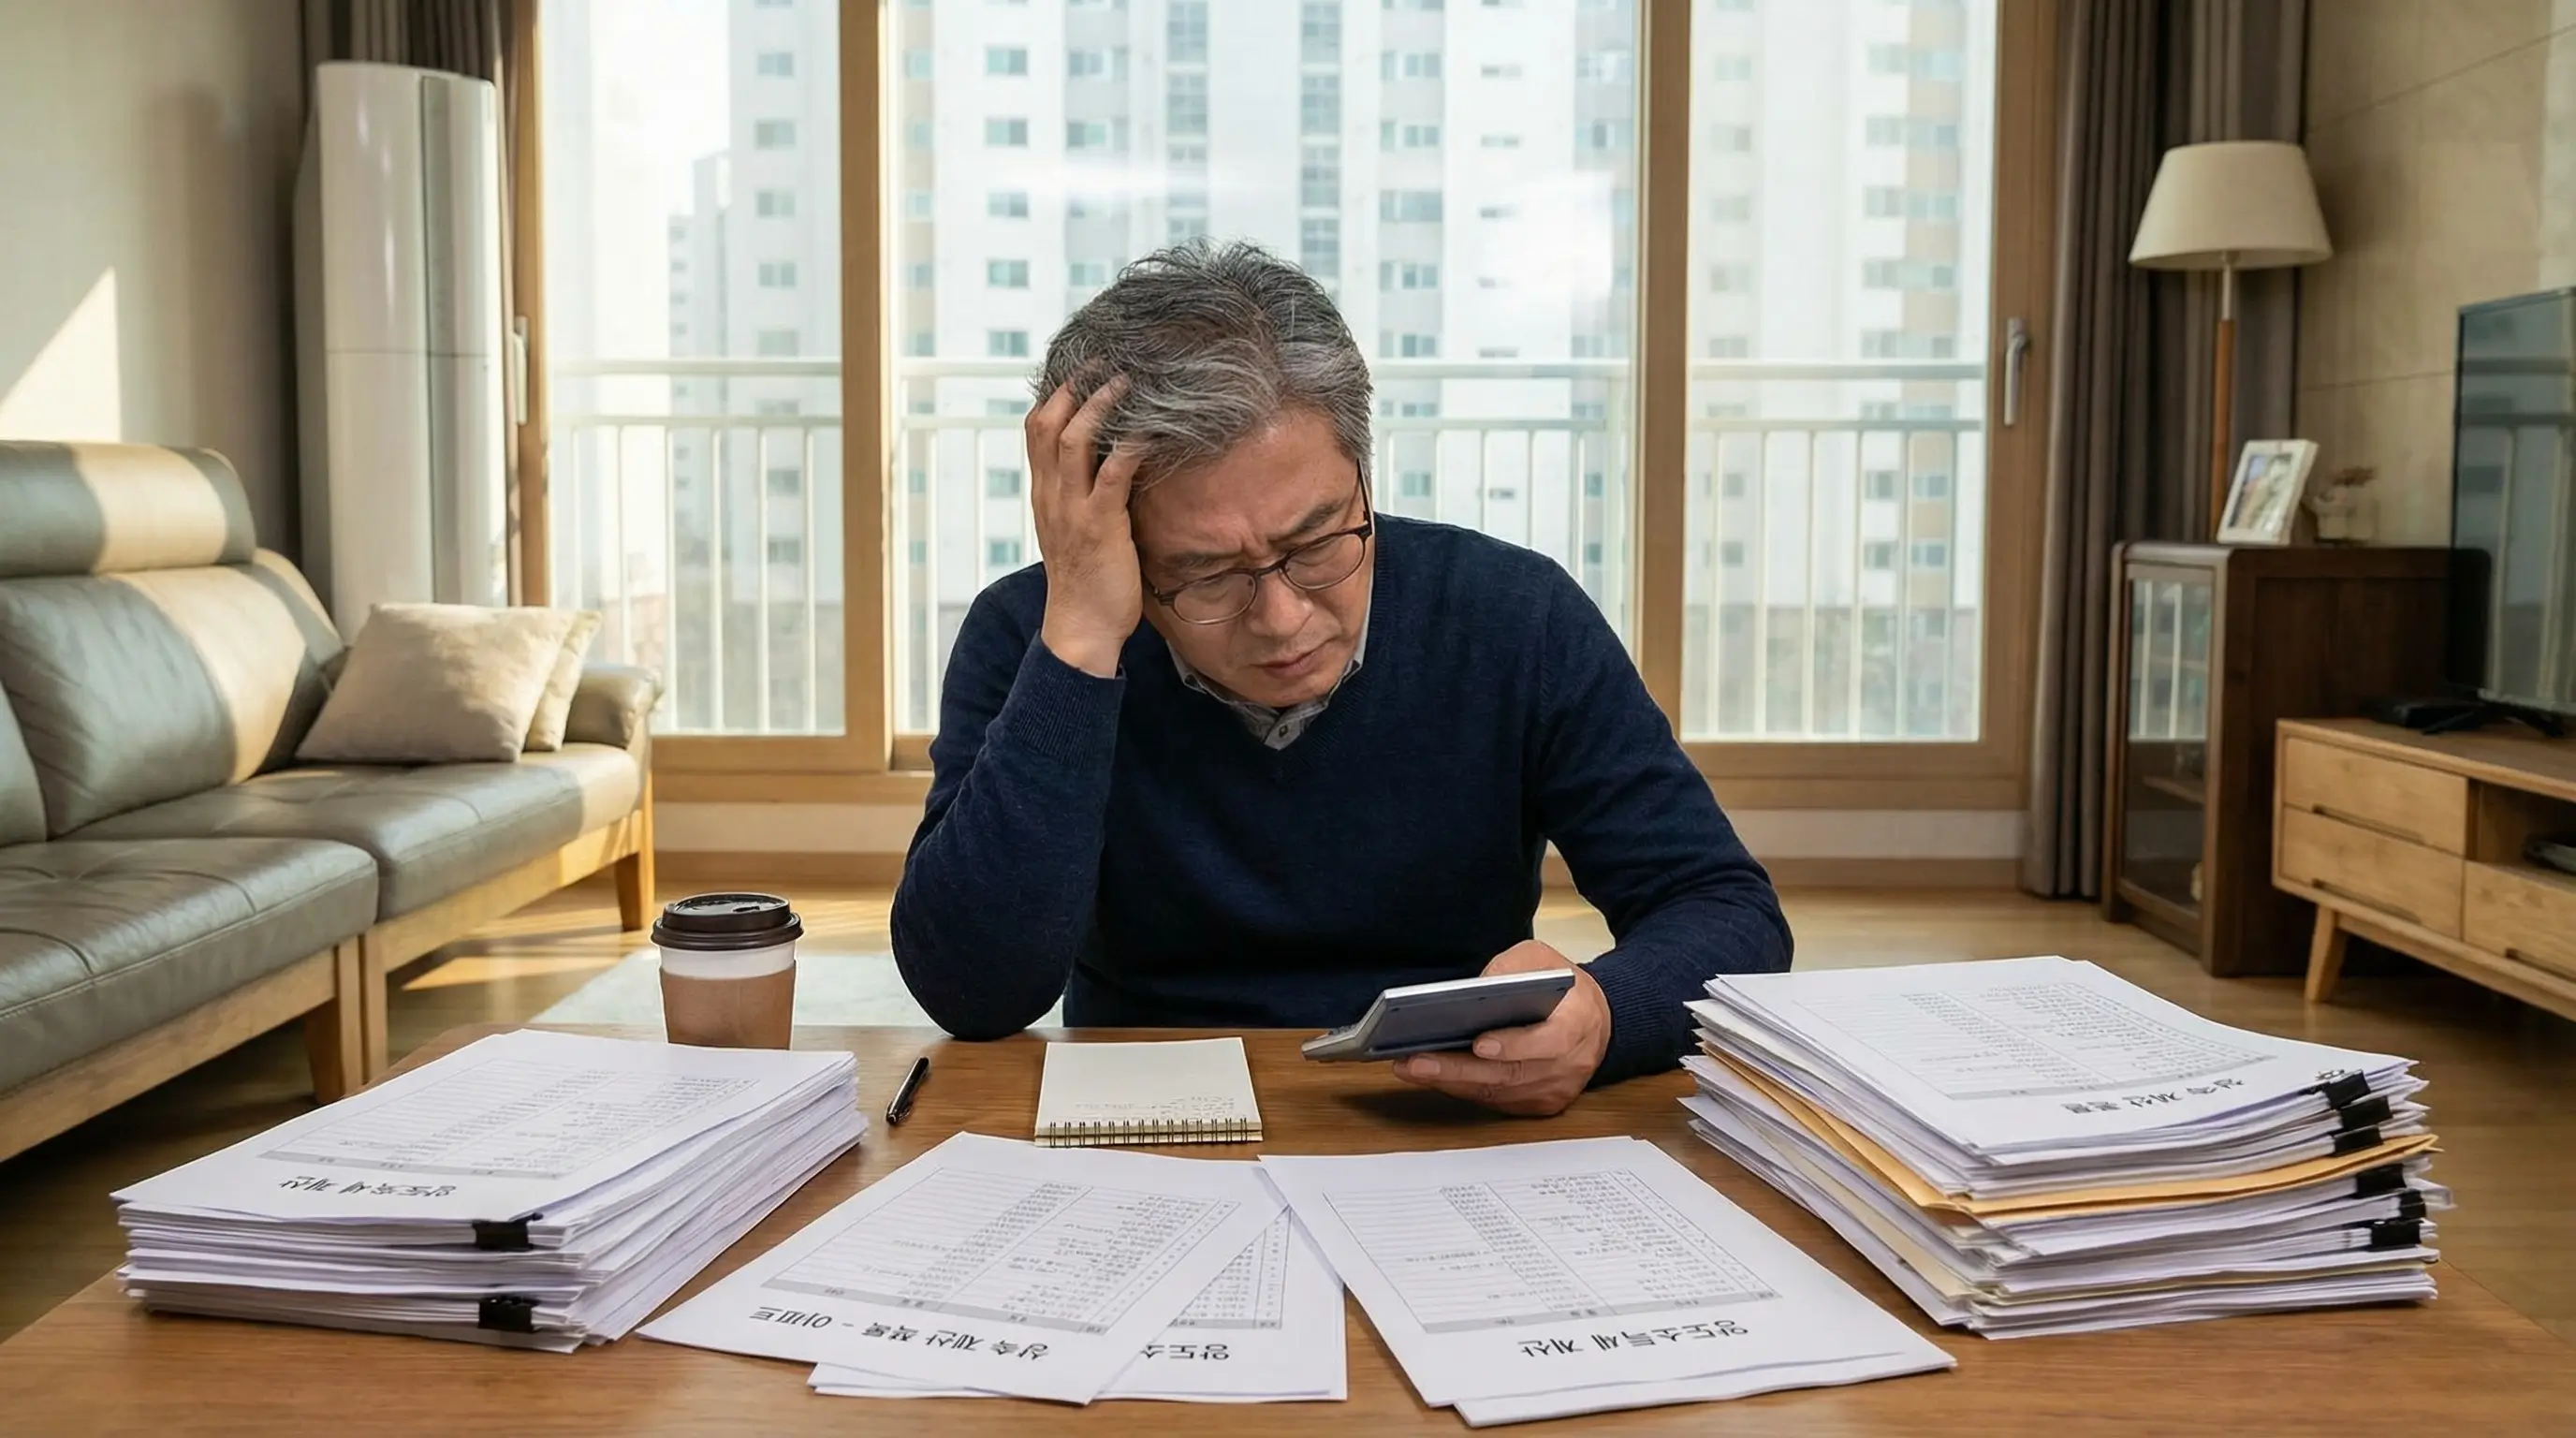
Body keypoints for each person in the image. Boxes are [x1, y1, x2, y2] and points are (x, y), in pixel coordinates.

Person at [892, 241, 1791, 1115]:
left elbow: (1726, 913)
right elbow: (974, 992)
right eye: (1208, 575)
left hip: (1451, 1119)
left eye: (1318, 542)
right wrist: (1082, 641)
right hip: (1153, 1128)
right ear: (1120, 542)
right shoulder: (1036, 637)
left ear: (1362, 474)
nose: (1283, 619)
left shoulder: (1511, 616)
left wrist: (1604, 1014)